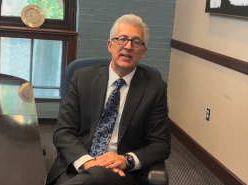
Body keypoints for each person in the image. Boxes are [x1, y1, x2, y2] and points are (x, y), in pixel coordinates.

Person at [46, 14, 171, 185]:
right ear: (110, 45)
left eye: (136, 42)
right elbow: (63, 131)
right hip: (78, 165)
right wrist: (89, 164)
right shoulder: (82, 78)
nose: (128, 46)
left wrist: (126, 160)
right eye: (122, 39)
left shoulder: (155, 88)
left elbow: (160, 144)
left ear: (143, 52)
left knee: (101, 175)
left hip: (121, 174)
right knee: (96, 175)